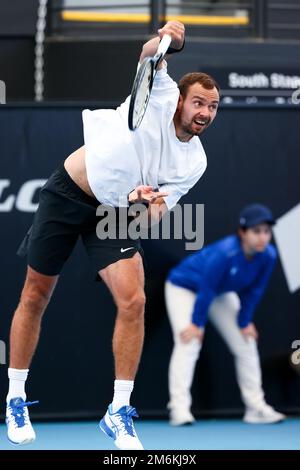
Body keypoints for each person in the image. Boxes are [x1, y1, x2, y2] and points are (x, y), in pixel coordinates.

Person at [5, 21, 220, 450]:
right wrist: (173, 39)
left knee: (135, 300)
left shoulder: (195, 162)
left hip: (117, 212)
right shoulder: (159, 95)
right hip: (71, 192)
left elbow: (156, 214)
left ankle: (118, 410)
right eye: (199, 103)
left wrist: (144, 204)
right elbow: (148, 54)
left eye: (213, 107)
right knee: (35, 295)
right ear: (179, 99)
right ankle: (15, 397)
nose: (205, 113)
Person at [165, 204, 286, 426]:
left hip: (219, 292)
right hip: (184, 287)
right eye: (256, 231)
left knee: (246, 341)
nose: (262, 237)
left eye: (266, 231)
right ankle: (179, 408)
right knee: (189, 341)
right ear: (242, 232)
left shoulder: (268, 255)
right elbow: (206, 289)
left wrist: (244, 321)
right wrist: (196, 324)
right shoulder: (224, 253)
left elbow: (254, 291)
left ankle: (256, 408)